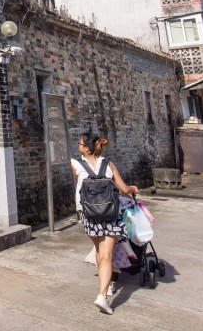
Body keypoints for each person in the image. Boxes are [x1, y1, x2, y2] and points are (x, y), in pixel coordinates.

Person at [70, 130, 138, 315]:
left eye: (80, 144)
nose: (78, 146)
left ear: (85, 148)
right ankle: (103, 296)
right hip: (109, 213)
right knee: (106, 255)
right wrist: (132, 189)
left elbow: (79, 181)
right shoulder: (108, 165)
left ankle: (105, 286)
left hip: (88, 214)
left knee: (100, 253)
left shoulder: (75, 164)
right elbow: (123, 189)